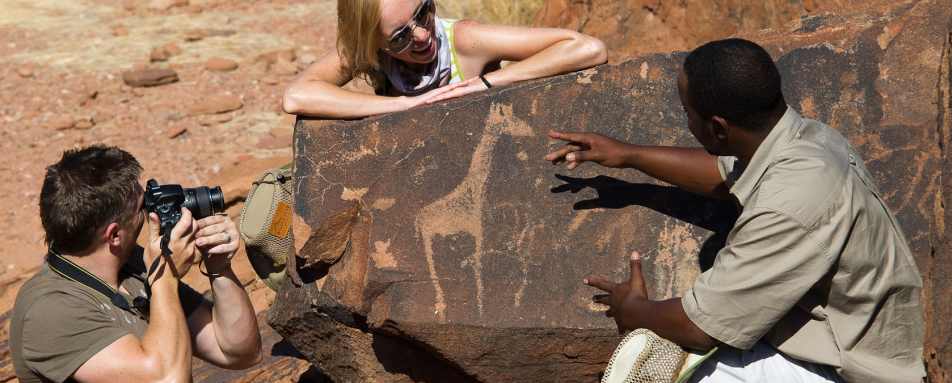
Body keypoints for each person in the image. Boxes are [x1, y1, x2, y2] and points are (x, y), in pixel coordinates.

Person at [545, 38, 925, 382]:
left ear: (718, 129)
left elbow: (700, 326)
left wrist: (634, 310)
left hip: (846, 370)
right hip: (838, 336)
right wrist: (629, 155)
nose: (685, 121)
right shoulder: (805, 138)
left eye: (686, 113)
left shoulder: (788, 207)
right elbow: (726, 173)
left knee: (650, 367)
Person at [10, 146, 261, 383]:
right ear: (114, 236)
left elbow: (239, 351)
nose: (150, 214)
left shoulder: (131, 267)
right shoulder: (51, 311)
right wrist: (165, 277)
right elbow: (167, 379)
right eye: (142, 207)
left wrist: (218, 267)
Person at [282, 0, 608, 118]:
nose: (422, 35)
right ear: (375, 45)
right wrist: (401, 106)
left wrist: (487, 83)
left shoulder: (464, 39)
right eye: (400, 37)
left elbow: (588, 48)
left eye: (424, 11)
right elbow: (297, 96)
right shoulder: (365, 51)